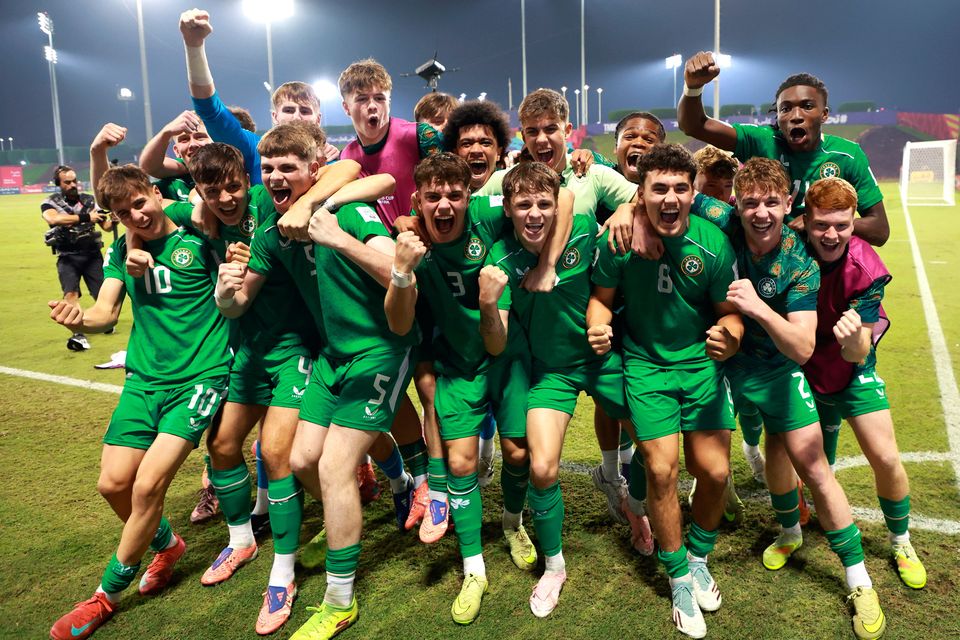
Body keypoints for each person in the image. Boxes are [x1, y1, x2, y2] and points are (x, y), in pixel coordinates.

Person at [696, 158, 886, 640]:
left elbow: (801, 346)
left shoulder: (800, 260)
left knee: (813, 466)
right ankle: (725, 549)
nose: (761, 213)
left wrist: (756, 307)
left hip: (778, 368)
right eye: (752, 203)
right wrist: (627, 213)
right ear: (736, 204)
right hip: (719, 361)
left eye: (772, 203)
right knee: (707, 466)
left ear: (787, 205)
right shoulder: (719, 218)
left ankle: (859, 580)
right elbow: (664, 195)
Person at [48, 160, 231, 640]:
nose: (136, 216)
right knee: (113, 485)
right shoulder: (119, 251)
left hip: (201, 377)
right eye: (124, 214)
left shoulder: (199, 234)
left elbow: (208, 215)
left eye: (139, 203)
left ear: (153, 192)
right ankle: (167, 546)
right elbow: (104, 312)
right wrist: (76, 319)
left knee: (148, 486)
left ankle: (104, 595)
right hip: (144, 380)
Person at [385, 154, 549, 624]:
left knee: (519, 454)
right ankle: (473, 568)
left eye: (454, 195)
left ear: (469, 199)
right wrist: (400, 270)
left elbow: (551, 200)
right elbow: (399, 325)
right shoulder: (412, 245)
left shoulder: (489, 217)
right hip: (458, 365)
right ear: (418, 200)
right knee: (460, 462)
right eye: (432, 197)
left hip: (507, 355)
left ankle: (513, 524)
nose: (444, 205)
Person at [588, 144, 742, 639]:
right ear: (642, 193)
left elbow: (729, 311)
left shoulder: (713, 243)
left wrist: (731, 334)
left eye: (680, 188)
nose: (670, 197)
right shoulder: (618, 239)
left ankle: (698, 556)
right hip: (647, 367)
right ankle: (678, 576)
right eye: (659, 189)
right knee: (659, 469)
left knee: (716, 473)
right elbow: (600, 300)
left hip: (699, 367)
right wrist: (598, 326)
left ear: (693, 193)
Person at [802, 177, 926, 590]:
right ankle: (792, 524)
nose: (831, 234)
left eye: (841, 224)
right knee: (812, 462)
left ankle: (901, 540)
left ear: (854, 221)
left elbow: (856, 354)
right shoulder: (790, 248)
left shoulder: (866, 267)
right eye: (821, 224)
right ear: (806, 220)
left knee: (886, 457)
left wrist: (854, 336)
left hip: (852, 364)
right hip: (802, 363)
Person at [677, 53, 889, 246]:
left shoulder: (848, 155)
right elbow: (694, 125)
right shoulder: (762, 140)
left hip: (823, 262)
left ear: (824, 114)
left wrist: (817, 222)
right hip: (763, 257)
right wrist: (693, 88)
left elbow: (879, 229)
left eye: (807, 106)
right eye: (785, 109)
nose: (796, 116)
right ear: (777, 116)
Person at [175, 8, 339, 190]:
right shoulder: (254, 149)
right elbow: (210, 110)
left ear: (318, 119)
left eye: (305, 111)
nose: (296, 117)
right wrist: (194, 45)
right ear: (275, 117)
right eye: (289, 110)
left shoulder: (334, 162)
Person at [41, 164, 115, 351]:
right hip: (67, 256)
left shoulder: (90, 200)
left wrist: (113, 219)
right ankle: (78, 333)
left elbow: (105, 226)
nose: (73, 185)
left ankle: (104, 322)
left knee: (101, 295)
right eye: (67, 182)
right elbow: (54, 219)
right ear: (58, 183)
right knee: (71, 294)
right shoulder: (50, 202)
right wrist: (86, 218)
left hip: (92, 255)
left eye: (74, 181)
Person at [139, 110, 212, 202]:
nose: (192, 144)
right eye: (184, 139)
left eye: (200, 137)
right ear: (177, 151)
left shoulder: (232, 170)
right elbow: (148, 167)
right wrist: (166, 132)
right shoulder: (175, 182)